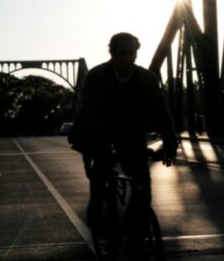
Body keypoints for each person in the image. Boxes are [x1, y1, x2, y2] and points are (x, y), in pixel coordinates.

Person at [69, 32, 177, 232]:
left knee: (142, 188)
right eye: (123, 53)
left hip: (131, 132)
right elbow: (90, 116)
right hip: (99, 131)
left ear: (136, 54)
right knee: (100, 182)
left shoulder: (146, 78)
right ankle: (97, 219)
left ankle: (133, 229)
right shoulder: (96, 76)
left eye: (132, 53)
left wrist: (171, 142)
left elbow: (161, 111)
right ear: (113, 53)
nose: (128, 58)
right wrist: (98, 150)